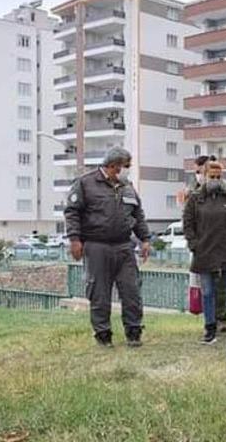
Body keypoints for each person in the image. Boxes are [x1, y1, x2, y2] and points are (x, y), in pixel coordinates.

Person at [64, 147, 151, 348]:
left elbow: (137, 215)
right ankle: (103, 334)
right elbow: (72, 212)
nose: (128, 170)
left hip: (124, 246)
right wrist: (75, 239)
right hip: (97, 246)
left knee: (131, 291)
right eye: (126, 166)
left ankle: (134, 331)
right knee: (99, 293)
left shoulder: (127, 186)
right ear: (113, 166)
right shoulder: (85, 183)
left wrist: (145, 239)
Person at [184, 160, 226, 345]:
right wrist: (194, 244)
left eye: (219, 177)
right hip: (204, 252)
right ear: (205, 176)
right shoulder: (195, 199)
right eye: (212, 176)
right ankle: (210, 327)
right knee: (208, 292)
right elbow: (188, 223)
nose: (215, 180)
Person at [186, 155, 226, 333]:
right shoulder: (193, 193)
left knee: (221, 284)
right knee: (205, 286)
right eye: (196, 172)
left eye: (200, 171)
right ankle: (209, 320)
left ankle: (221, 317)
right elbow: (187, 220)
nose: (198, 175)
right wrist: (193, 243)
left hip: (221, 245)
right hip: (201, 246)